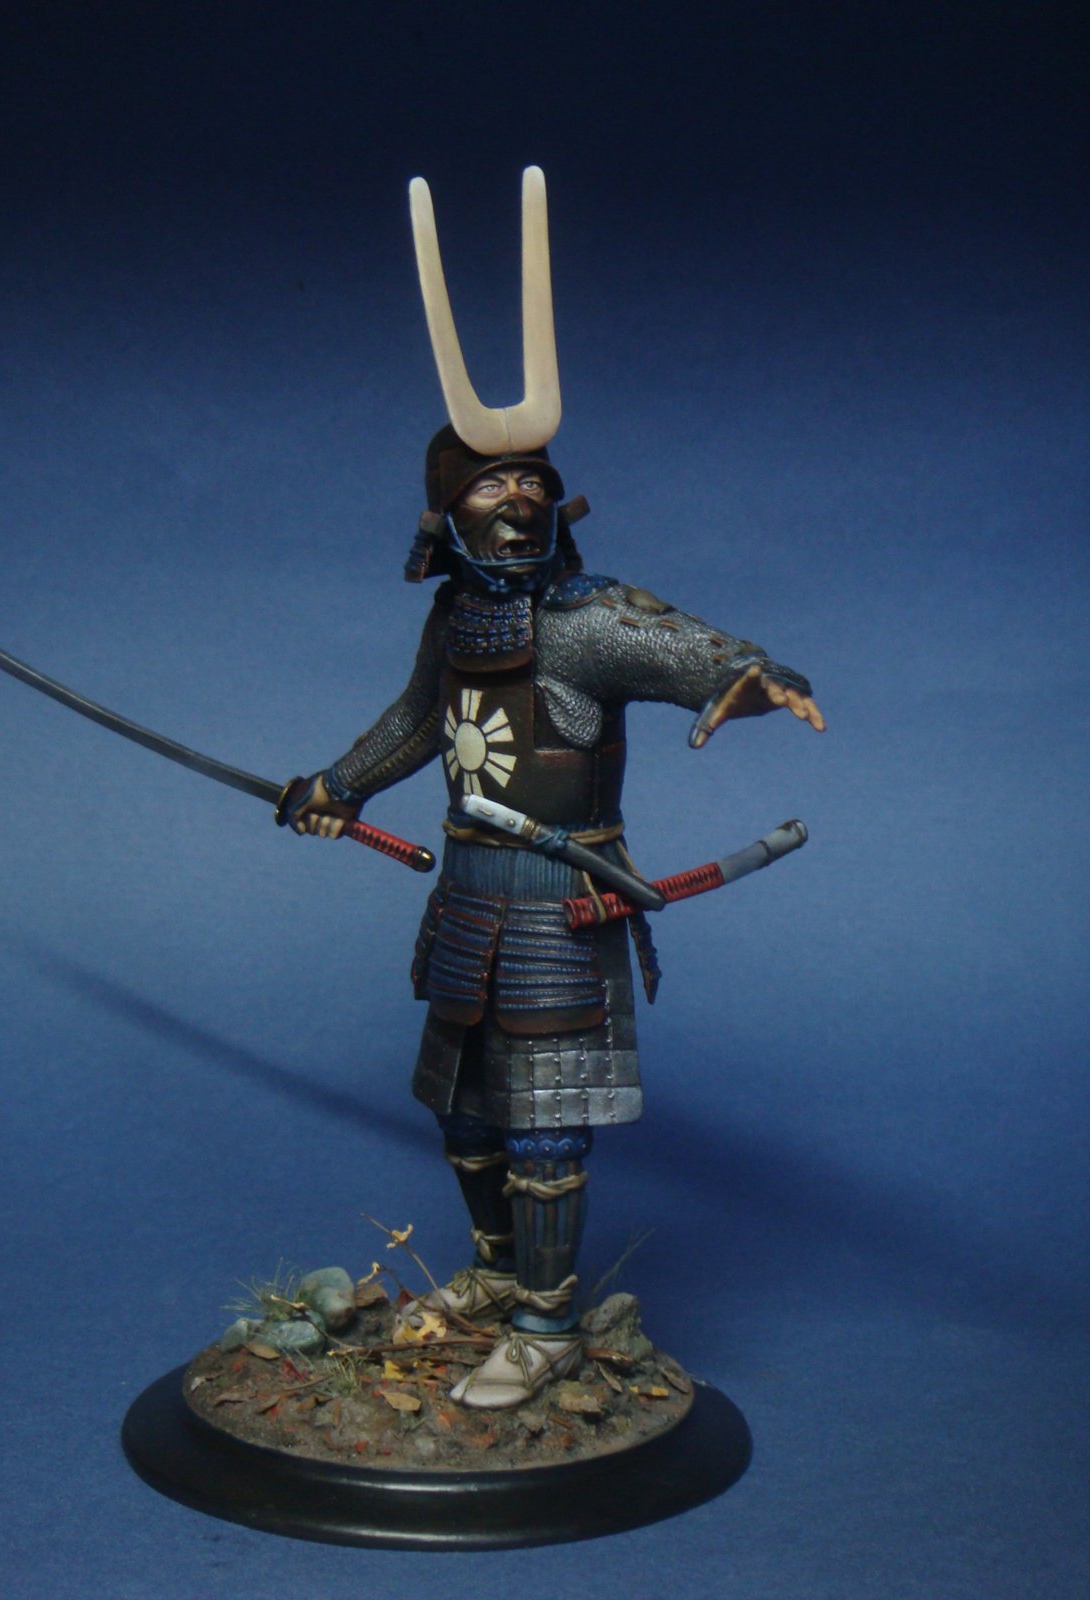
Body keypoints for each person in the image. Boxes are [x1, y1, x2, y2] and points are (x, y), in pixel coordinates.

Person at [290, 170, 824, 1408]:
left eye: (533, 479)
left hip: (557, 905)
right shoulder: (450, 621)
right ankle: (493, 1276)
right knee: (465, 1113)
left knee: (543, 1127)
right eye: (492, 483)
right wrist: (335, 784)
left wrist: (758, 678)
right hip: (467, 897)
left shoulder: (591, 621)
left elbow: (698, 649)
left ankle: (547, 1326)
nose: (519, 496)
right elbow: (417, 722)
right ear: (447, 513)